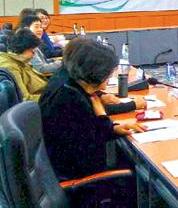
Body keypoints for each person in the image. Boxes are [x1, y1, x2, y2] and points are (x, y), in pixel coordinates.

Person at [40, 38, 146, 182]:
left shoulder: (64, 80)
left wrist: (114, 128)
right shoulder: (72, 99)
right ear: (95, 73)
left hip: (61, 164)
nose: (107, 80)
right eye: (107, 75)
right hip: (79, 176)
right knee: (135, 173)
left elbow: (87, 132)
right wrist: (102, 116)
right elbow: (93, 143)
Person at [40, 37, 146, 116]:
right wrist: (131, 105)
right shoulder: (71, 94)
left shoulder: (65, 75)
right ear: (93, 71)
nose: (106, 83)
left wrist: (101, 95)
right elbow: (97, 117)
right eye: (108, 77)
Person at [0, 28, 48, 101]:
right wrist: (52, 98)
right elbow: (25, 98)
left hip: (44, 93)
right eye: (31, 50)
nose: (34, 53)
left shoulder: (18, 60)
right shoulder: (10, 67)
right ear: (23, 48)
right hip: (38, 101)